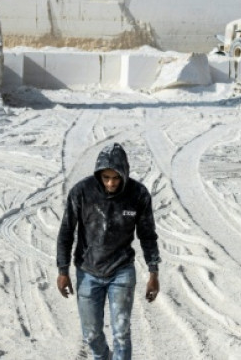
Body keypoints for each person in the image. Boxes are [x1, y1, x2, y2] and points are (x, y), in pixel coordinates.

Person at [56, 142, 161, 360]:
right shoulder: (81, 192)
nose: (111, 183)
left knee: (121, 333)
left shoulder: (138, 194)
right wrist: (63, 270)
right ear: (99, 175)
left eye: (116, 178)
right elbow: (66, 232)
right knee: (92, 334)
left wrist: (153, 272)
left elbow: (148, 235)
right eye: (106, 178)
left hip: (121, 271)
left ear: (124, 173)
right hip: (87, 271)